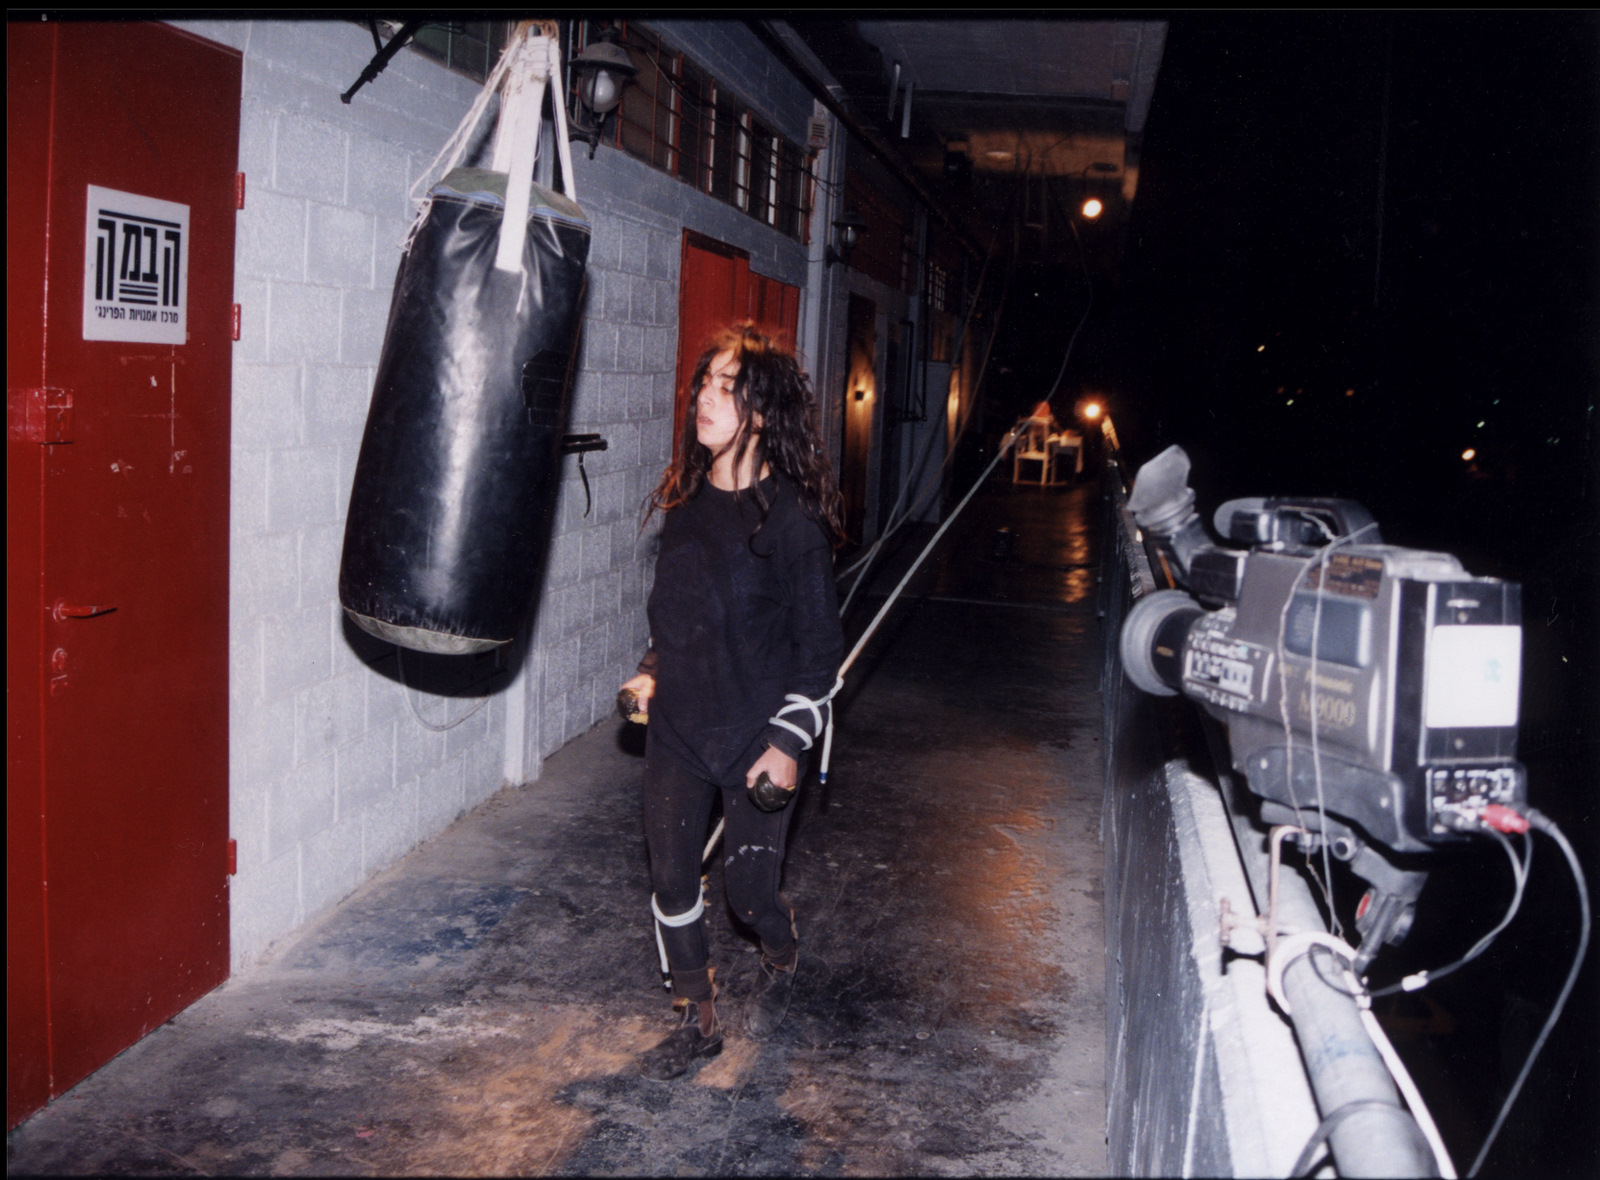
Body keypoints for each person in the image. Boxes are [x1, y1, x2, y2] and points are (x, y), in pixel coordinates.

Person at [619, 324, 845, 1080]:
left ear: (762, 410)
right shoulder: (685, 504)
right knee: (671, 879)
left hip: (757, 734)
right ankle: (697, 1013)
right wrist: (650, 672)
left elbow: (820, 652)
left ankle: (779, 943)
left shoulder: (792, 522)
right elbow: (677, 615)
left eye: (727, 388)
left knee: (748, 898)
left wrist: (787, 743)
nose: (706, 401)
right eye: (704, 386)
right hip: (680, 727)